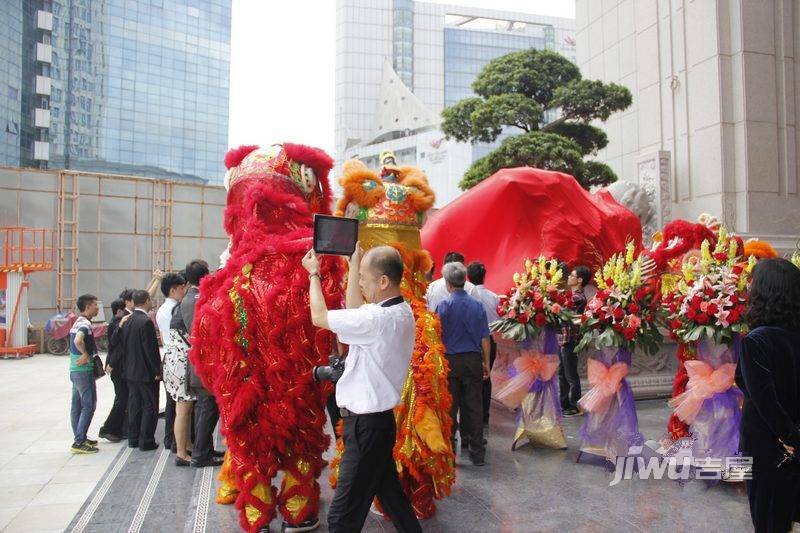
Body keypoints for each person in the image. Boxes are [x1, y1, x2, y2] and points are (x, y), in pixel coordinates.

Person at [303, 244, 422, 533]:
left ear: (383, 281)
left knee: (342, 519)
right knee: (393, 498)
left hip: (366, 428)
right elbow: (356, 310)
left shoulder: (377, 319)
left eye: (364, 279)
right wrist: (355, 263)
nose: (359, 283)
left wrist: (313, 275)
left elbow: (319, 317)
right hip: (378, 425)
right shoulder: (400, 311)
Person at [735, 258, 800, 532]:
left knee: (769, 519)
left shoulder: (756, 340)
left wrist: (790, 438)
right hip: (791, 441)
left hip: (769, 444)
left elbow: (765, 401)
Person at [436, 262, 491, 466]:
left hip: (450, 362)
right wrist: (486, 363)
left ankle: (449, 454)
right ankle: (477, 452)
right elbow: (485, 337)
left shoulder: (443, 306)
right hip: (473, 359)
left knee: (450, 408)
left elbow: (437, 337)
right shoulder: (477, 306)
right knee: (474, 407)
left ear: (448, 283)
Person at [182, 259, 224, 468]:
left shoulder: (187, 298)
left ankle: (205, 449)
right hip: (205, 362)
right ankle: (200, 455)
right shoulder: (202, 298)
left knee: (203, 408)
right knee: (207, 409)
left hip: (198, 361)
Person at [123, 289, 161, 451]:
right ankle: (146, 440)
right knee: (149, 406)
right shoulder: (145, 322)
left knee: (134, 405)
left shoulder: (128, 320)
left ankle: (133, 438)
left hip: (131, 371)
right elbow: (150, 350)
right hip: (145, 372)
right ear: (146, 301)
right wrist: (157, 370)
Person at [155, 272, 187, 454]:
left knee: (172, 403)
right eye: (182, 288)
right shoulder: (175, 310)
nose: (184, 290)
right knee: (181, 406)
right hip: (178, 357)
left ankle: (172, 441)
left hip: (169, 357)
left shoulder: (162, 309)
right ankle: (179, 447)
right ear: (173, 290)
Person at [467, 261, 499, 426]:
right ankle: (484, 415)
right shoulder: (494, 297)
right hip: (490, 341)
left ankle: (472, 416)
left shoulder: (468, 297)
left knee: (471, 381)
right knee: (486, 378)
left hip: (472, 342)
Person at [69, 294, 101, 454]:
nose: (97, 307)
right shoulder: (85, 324)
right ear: (88, 306)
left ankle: (79, 436)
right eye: (95, 304)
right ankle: (79, 441)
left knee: (76, 405)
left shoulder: (77, 321)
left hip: (75, 371)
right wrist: (86, 354)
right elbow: (78, 340)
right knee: (88, 405)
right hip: (83, 371)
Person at [560, 265, 590, 416]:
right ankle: (564, 404)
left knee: (571, 375)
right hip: (564, 339)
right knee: (563, 374)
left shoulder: (577, 297)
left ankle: (574, 405)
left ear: (579, 280)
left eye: (572, 275)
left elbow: (563, 311)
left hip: (571, 340)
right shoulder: (571, 295)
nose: (569, 277)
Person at [99, 299, 128, 442]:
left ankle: (118, 429)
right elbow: (117, 347)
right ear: (119, 311)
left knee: (122, 398)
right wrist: (112, 363)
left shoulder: (116, 321)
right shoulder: (117, 323)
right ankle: (107, 429)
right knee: (121, 399)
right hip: (117, 367)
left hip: (117, 366)